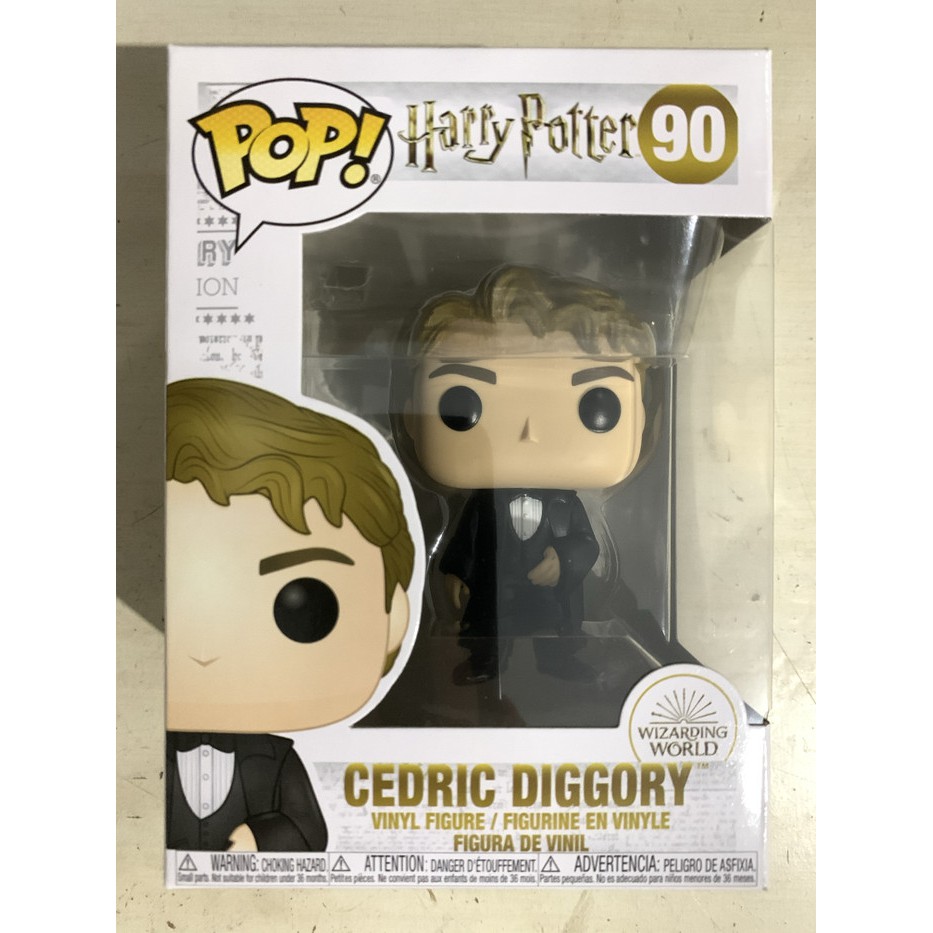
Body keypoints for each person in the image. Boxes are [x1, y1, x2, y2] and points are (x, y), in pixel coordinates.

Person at [165, 378, 414, 850]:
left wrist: (263, 838)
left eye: (301, 605)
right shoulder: (136, 744)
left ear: (393, 618)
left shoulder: (277, 758)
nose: (205, 649)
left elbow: (308, 830)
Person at [404, 265, 654, 684]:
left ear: (640, 417)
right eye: (462, 403)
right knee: (486, 632)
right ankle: (484, 661)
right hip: (493, 593)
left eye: (597, 405)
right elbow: (465, 541)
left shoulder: (566, 504)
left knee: (557, 629)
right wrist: (454, 573)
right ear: (412, 416)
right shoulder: (482, 504)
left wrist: (564, 558)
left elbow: (586, 544)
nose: (529, 431)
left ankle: (559, 660)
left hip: (550, 595)